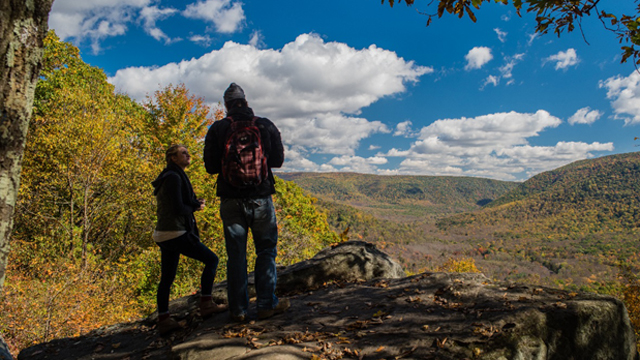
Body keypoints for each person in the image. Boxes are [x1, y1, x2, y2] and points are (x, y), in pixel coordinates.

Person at [203, 83, 288, 322]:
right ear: (246, 101)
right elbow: (279, 161)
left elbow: (210, 168)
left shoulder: (218, 128)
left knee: (236, 256)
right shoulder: (264, 125)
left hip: (230, 200)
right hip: (261, 198)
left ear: (227, 105)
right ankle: (266, 305)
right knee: (266, 251)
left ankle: (238, 311)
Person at [151, 144, 227, 335]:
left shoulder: (167, 176)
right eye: (183, 153)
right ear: (173, 158)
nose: (187, 155)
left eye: (187, 152)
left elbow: (177, 203)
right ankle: (207, 304)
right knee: (212, 260)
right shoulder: (175, 178)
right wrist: (195, 208)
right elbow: (178, 208)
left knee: (167, 278)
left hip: (163, 233)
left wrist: (193, 203)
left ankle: (164, 318)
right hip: (176, 232)